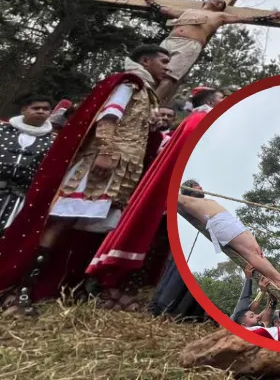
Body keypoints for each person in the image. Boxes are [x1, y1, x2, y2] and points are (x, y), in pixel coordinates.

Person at [0, 44, 170, 316]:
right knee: (60, 222)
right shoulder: (128, 84)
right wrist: (104, 152)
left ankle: (68, 286)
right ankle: (18, 291)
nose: (167, 67)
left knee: (90, 232)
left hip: (122, 172)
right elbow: (109, 117)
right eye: (163, 61)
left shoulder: (147, 92)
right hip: (99, 166)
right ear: (146, 61)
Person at [87, 89, 223, 305]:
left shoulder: (206, 122)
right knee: (147, 237)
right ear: (210, 101)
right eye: (221, 99)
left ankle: (130, 290)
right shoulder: (199, 120)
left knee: (160, 242)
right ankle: (113, 289)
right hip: (173, 191)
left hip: (185, 193)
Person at [143, 0, 280, 101]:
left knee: (170, 76)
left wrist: (268, 17)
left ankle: (151, 104)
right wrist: (152, 4)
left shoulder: (219, 15)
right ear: (206, 2)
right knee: (150, 72)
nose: (218, 1)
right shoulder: (188, 11)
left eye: (221, 2)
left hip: (190, 44)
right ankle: (138, 99)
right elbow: (166, 10)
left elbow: (242, 18)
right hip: (169, 41)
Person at [176, 181, 280, 290]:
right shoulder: (187, 201)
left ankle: (277, 277)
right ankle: (278, 279)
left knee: (255, 250)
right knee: (250, 252)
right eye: (196, 185)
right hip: (220, 223)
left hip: (228, 222)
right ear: (189, 190)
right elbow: (172, 194)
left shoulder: (202, 201)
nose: (200, 186)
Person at [0, 95, 57, 234]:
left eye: (46, 109)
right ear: (24, 110)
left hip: (19, 199)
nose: (41, 111)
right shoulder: (2, 130)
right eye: (36, 108)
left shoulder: (54, 142)